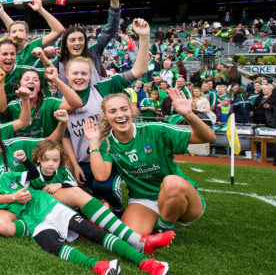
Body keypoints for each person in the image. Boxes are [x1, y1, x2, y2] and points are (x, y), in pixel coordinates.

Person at [0, 164, 170, 275]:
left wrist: (26, 162)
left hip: (50, 207)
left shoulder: (7, 177)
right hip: (35, 223)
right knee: (51, 247)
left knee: (93, 233)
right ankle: (101, 267)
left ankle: (147, 262)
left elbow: (34, 177)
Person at [85, 89, 215, 234]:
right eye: (113, 111)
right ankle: (159, 221)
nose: (120, 115)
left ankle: (163, 228)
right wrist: (93, 143)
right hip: (143, 199)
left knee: (173, 182)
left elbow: (208, 137)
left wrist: (188, 114)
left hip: (178, 197)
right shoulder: (107, 142)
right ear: (105, 116)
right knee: (130, 236)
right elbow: (101, 176)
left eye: (124, 109)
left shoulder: (155, 130)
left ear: (132, 111)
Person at [14, 141, 174, 255]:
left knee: (99, 203)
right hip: (43, 209)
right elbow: (23, 185)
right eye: (47, 160)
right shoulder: (33, 173)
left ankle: (115, 233)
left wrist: (60, 185)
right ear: (39, 159)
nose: (51, 164)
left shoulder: (62, 170)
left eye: (55, 160)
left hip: (64, 204)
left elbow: (73, 185)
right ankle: (133, 240)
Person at [62, 18, 150, 213]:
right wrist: (73, 165)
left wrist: (144, 37)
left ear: (91, 74)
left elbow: (139, 70)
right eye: (75, 73)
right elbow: (65, 135)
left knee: (106, 187)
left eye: (84, 74)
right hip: (79, 162)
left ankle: (118, 209)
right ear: (67, 75)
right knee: (77, 196)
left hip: (105, 157)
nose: (79, 77)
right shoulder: (61, 100)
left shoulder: (103, 87)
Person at [57, 0, 122, 84]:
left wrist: (115, 2)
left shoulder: (93, 51)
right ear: (65, 43)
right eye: (72, 40)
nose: (77, 43)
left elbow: (111, 29)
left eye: (80, 39)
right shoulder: (59, 61)